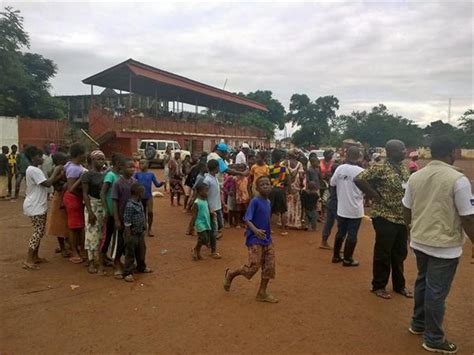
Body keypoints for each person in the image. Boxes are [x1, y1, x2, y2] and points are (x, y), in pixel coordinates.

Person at [402, 137, 474, 354]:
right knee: (436, 291)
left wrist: (411, 232)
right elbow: (468, 217)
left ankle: (418, 323)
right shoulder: (458, 180)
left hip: (420, 240)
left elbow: (406, 208)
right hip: (444, 245)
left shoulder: (416, 176)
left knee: (423, 282)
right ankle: (433, 338)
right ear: (451, 152)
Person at [355, 140, 413, 299]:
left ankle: (399, 285)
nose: (405, 151)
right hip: (384, 216)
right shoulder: (379, 166)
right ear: (391, 152)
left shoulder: (403, 167)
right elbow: (359, 179)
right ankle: (378, 286)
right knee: (383, 252)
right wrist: (374, 195)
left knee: (400, 252)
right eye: (402, 149)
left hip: (401, 217)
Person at [223, 176, 278, 303]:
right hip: (254, 238)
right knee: (254, 266)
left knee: (269, 266)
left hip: (266, 238)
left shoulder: (268, 202)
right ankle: (231, 274)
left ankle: (262, 292)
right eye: (262, 184)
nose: (265, 186)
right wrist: (256, 231)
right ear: (257, 188)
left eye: (267, 184)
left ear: (271, 186)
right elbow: (247, 219)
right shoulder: (255, 201)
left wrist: (267, 233)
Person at [22, 146, 64, 270]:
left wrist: (57, 176)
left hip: (36, 204)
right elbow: (47, 183)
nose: (42, 159)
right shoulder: (34, 170)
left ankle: (35, 256)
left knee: (39, 231)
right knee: (38, 232)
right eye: (40, 156)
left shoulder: (33, 169)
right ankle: (29, 259)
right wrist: (57, 171)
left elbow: (46, 183)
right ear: (34, 157)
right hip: (35, 205)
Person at [330, 146, 364, 267]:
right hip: (355, 208)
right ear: (358, 156)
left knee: (340, 232)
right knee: (352, 234)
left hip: (341, 207)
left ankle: (336, 256)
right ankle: (348, 259)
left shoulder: (339, 169)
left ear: (346, 155)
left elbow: (332, 183)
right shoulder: (360, 171)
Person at [122, 182, 153, 282]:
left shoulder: (139, 202)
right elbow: (127, 221)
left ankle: (141, 267)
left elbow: (142, 215)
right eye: (142, 192)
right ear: (138, 193)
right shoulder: (130, 205)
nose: (143, 194)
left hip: (140, 232)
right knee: (130, 253)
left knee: (141, 250)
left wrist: (144, 225)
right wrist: (128, 234)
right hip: (132, 233)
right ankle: (128, 272)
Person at [82, 150, 106, 274]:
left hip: (103, 205)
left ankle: (101, 258)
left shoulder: (105, 174)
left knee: (102, 233)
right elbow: (85, 193)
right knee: (91, 234)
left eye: (102, 159)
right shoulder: (87, 175)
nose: (101, 162)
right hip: (92, 205)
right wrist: (90, 212)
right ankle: (91, 261)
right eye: (98, 159)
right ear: (92, 160)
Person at [112, 159, 136, 278]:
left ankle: (128, 263)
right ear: (122, 168)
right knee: (119, 242)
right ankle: (116, 263)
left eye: (133, 167)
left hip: (132, 219)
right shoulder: (118, 183)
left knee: (130, 242)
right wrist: (116, 219)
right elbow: (115, 202)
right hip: (121, 218)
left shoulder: (134, 182)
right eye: (129, 167)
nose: (131, 169)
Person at [63, 143, 86, 264]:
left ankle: (79, 248)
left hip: (75, 198)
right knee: (74, 227)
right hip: (73, 198)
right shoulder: (74, 168)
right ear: (79, 155)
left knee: (79, 226)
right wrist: (81, 179)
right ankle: (74, 251)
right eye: (83, 154)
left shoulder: (71, 165)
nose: (85, 156)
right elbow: (71, 188)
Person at [100, 153, 124, 267]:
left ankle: (108, 258)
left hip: (116, 212)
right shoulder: (110, 175)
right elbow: (103, 192)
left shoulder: (119, 176)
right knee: (107, 237)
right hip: (110, 211)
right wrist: (105, 209)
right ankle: (101, 261)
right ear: (118, 164)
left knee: (114, 237)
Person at [46, 152, 71, 257]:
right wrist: (60, 175)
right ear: (60, 161)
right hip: (59, 196)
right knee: (59, 224)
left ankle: (66, 245)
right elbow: (51, 182)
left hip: (64, 195)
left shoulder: (61, 168)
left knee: (67, 223)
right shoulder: (56, 169)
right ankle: (63, 247)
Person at [133, 159, 163, 237]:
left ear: (147, 164)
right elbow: (132, 183)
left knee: (150, 213)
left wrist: (162, 183)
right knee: (141, 213)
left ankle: (149, 228)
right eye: (140, 163)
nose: (141, 165)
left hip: (149, 196)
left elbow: (156, 185)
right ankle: (143, 227)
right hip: (139, 197)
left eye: (143, 163)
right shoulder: (137, 174)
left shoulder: (151, 174)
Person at [187, 182, 212, 261]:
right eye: (205, 190)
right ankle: (195, 249)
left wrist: (212, 213)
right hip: (200, 223)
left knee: (201, 239)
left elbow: (207, 209)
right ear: (199, 192)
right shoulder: (197, 203)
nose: (207, 192)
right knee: (204, 239)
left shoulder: (205, 200)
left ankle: (197, 252)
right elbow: (194, 216)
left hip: (206, 221)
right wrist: (191, 227)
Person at [203, 159, 223, 258]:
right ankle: (213, 251)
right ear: (215, 168)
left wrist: (223, 203)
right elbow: (204, 195)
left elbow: (217, 193)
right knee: (214, 229)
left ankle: (208, 240)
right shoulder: (207, 180)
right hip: (212, 208)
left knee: (220, 225)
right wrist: (209, 208)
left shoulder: (214, 178)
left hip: (217, 206)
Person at [268, 149, 289, 235]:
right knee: (283, 210)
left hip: (272, 190)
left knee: (270, 210)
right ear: (280, 158)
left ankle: (270, 229)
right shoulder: (284, 168)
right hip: (281, 190)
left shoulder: (270, 168)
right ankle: (283, 230)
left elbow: (268, 179)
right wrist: (287, 190)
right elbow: (288, 180)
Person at [320, 164, 339, 249]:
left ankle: (324, 241)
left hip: (330, 201)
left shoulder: (332, 179)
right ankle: (338, 245)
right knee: (341, 224)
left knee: (329, 223)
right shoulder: (337, 179)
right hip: (336, 202)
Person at [286, 149, 306, 230]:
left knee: (288, 204)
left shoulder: (286, 163)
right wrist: (302, 184)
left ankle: (287, 222)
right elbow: (301, 176)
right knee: (296, 204)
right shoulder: (299, 164)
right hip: (296, 186)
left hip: (288, 185)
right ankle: (295, 223)